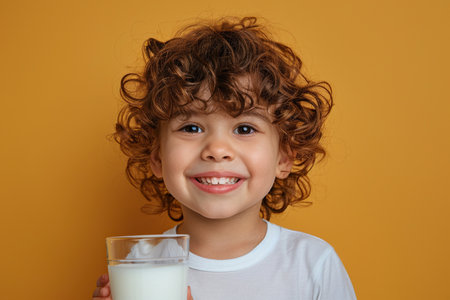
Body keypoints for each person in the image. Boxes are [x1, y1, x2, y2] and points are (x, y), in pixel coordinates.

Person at [92, 16, 357, 300]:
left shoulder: (313, 265)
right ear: (157, 157)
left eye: (245, 128)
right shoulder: (142, 265)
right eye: (191, 128)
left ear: (284, 157)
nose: (217, 150)